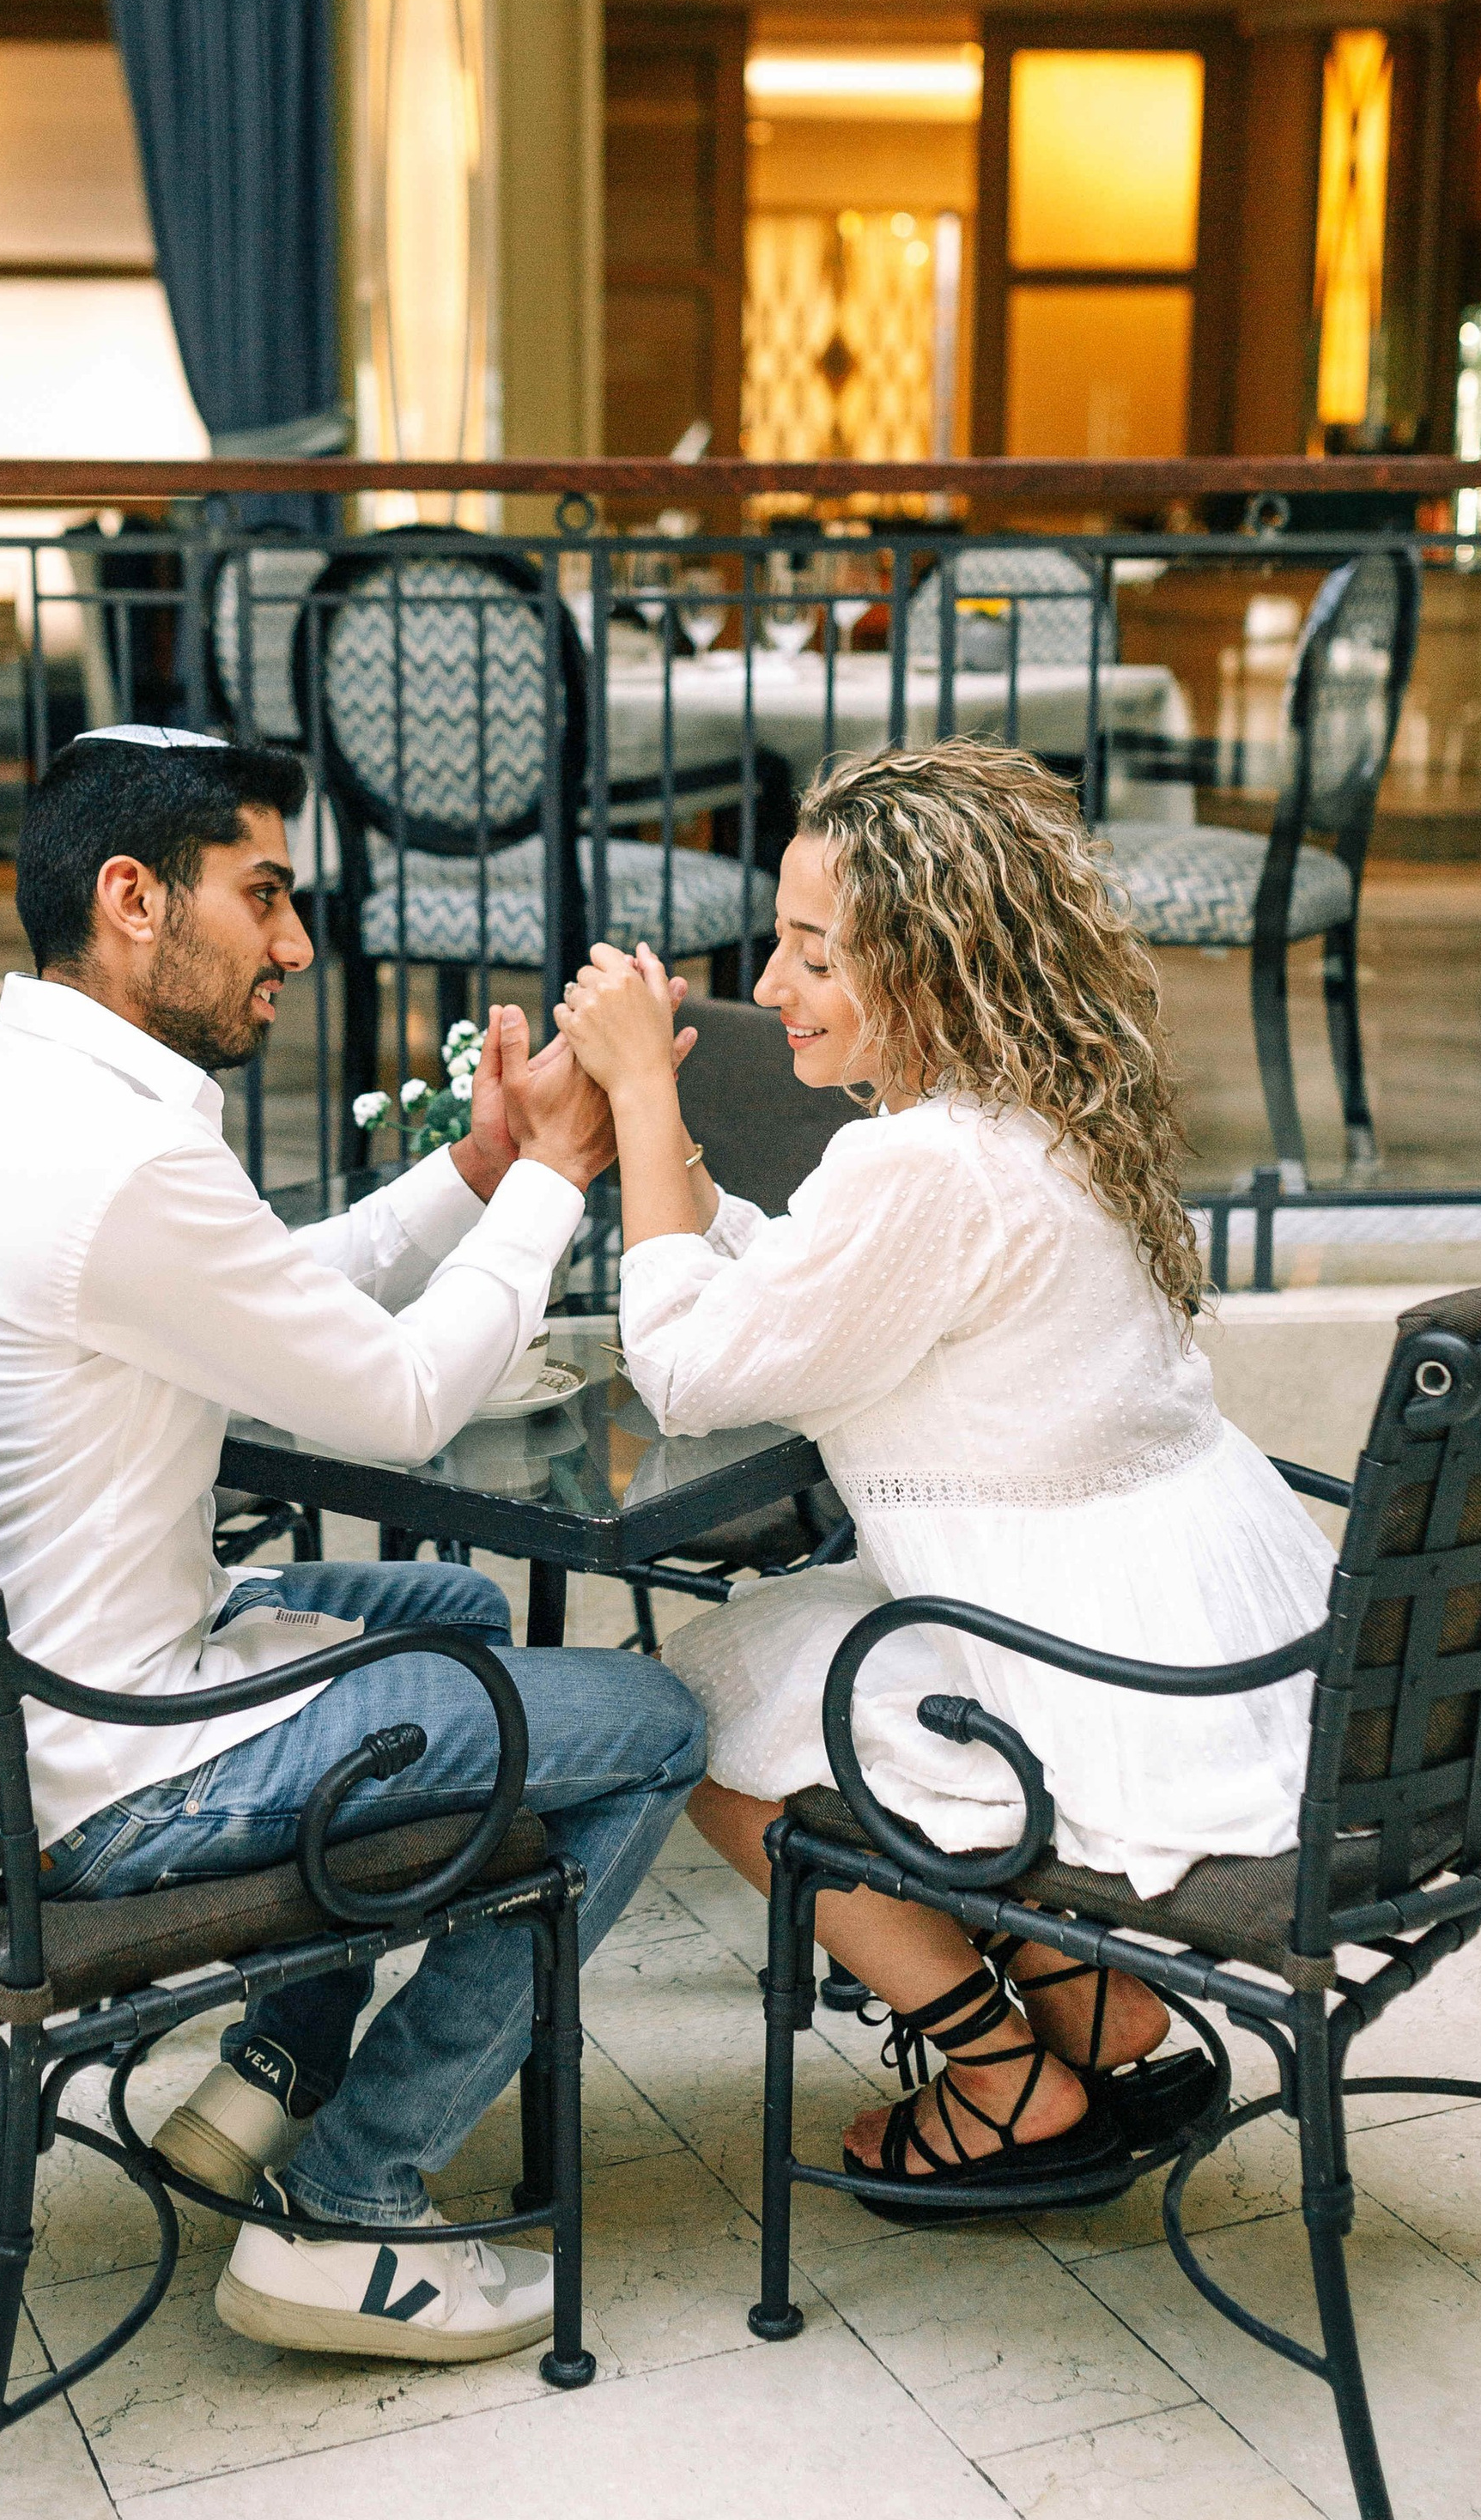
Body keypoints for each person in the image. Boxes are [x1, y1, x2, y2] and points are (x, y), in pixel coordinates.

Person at [0, 725, 704, 2359]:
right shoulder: (117, 1160)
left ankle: (267, 2076)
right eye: (264, 898)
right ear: (133, 898)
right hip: (106, 1772)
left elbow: (267, 1290)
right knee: (655, 1728)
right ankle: (351, 2201)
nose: (297, 946)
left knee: (447, 1604)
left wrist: (470, 1173)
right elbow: (391, 1404)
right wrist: (550, 1183)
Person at [553, 736, 1336, 2219]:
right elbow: (819, 1287)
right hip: (1201, 1634)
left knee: (702, 1716)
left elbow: (693, 1373)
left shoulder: (925, 1166)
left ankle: (1003, 2081)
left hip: (1078, 1669)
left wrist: (646, 1104)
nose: (773, 990)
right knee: (792, 1645)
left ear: (933, 965)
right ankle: (1100, 2015)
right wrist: (698, 1189)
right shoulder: (1048, 1112)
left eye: (815, 957)